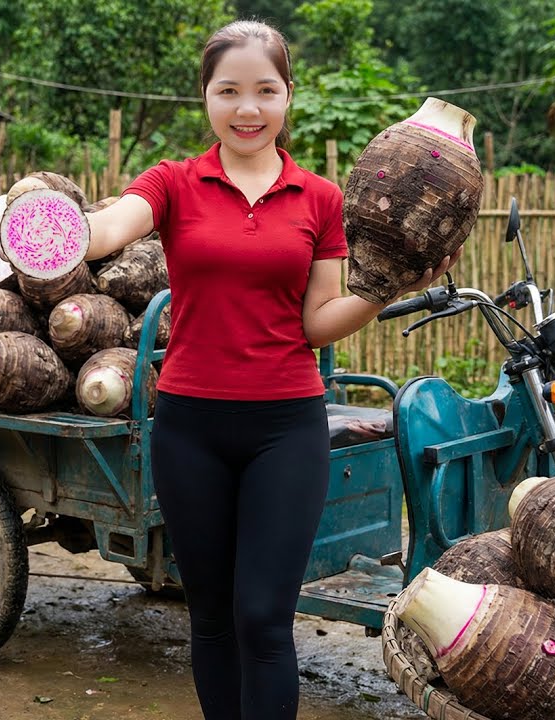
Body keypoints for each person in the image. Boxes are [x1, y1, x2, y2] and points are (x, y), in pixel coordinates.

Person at [85, 19, 461, 719]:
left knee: (262, 617)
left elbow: (318, 320)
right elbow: (109, 228)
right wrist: (56, 229)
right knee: (211, 617)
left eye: (265, 90)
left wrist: (391, 290)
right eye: (228, 91)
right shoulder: (172, 183)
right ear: (205, 96)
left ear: (288, 95)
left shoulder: (320, 198)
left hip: (285, 430)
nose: (247, 108)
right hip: (189, 429)